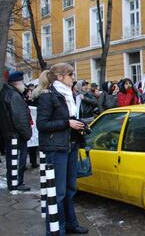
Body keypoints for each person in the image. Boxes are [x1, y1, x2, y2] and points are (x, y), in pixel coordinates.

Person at [36, 63, 89, 235]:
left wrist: (81, 126)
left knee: (70, 189)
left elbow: (70, 119)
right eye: (71, 74)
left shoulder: (69, 94)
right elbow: (42, 125)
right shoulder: (47, 96)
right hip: (56, 149)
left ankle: (71, 224)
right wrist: (67, 123)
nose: (73, 78)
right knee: (57, 193)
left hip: (70, 145)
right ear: (60, 77)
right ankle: (56, 230)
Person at [0, 71, 32, 192]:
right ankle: (16, 183)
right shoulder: (14, 95)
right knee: (18, 160)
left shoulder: (4, 93)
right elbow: (19, 118)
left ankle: (12, 182)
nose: (24, 85)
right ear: (17, 83)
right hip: (17, 135)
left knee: (12, 160)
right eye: (22, 82)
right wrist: (27, 134)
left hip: (9, 134)